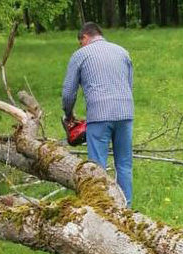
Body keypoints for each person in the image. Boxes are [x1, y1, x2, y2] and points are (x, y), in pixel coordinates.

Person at [62, 22, 134, 206]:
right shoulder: (122, 52)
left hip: (99, 114)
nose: (81, 45)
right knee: (124, 164)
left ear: (85, 37)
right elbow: (129, 85)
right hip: (125, 112)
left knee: (97, 166)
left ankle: (102, 207)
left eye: (81, 42)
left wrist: (68, 115)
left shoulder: (80, 55)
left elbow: (69, 92)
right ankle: (126, 207)